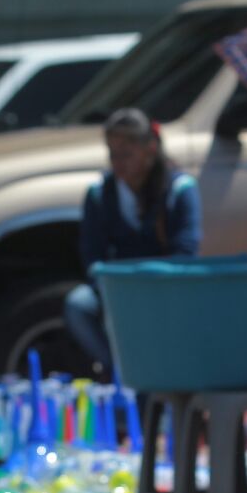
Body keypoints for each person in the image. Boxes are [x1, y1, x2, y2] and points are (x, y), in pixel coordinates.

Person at [65, 108, 201, 373]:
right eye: (113, 154)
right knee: (78, 305)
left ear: (150, 149)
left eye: (127, 154)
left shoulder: (178, 190)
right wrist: (111, 286)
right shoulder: (100, 195)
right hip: (118, 289)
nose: (119, 162)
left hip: (166, 287)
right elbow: (92, 254)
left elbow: (186, 252)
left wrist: (147, 284)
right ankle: (120, 369)